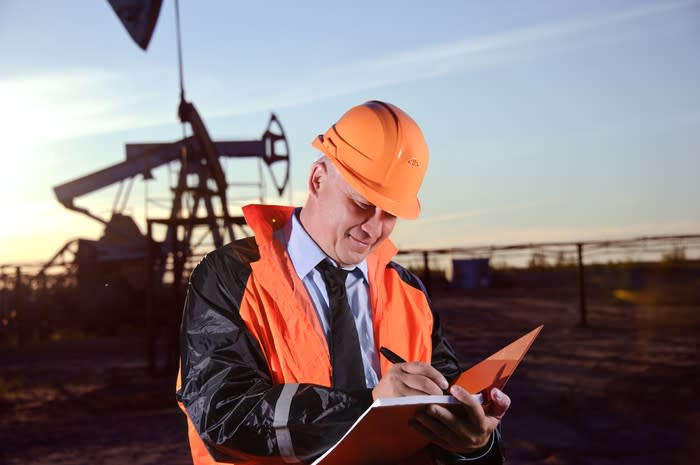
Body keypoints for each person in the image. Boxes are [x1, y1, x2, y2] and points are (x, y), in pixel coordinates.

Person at [176, 100, 509, 464]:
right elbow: (224, 415)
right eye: (361, 203)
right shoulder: (231, 277)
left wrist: (477, 445)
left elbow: (447, 411)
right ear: (318, 178)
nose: (373, 228)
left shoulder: (408, 292)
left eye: (391, 214)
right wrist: (369, 407)